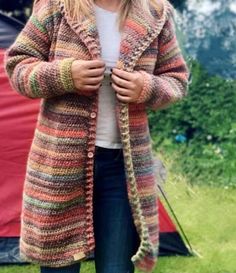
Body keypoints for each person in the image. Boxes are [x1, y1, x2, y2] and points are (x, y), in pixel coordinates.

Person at [4, 0, 189, 272]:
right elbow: (18, 67)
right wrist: (64, 75)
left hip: (123, 169)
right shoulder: (57, 6)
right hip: (59, 169)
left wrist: (146, 87)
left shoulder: (155, 13)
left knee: (116, 268)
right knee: (59, 267)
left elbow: (177, 79)